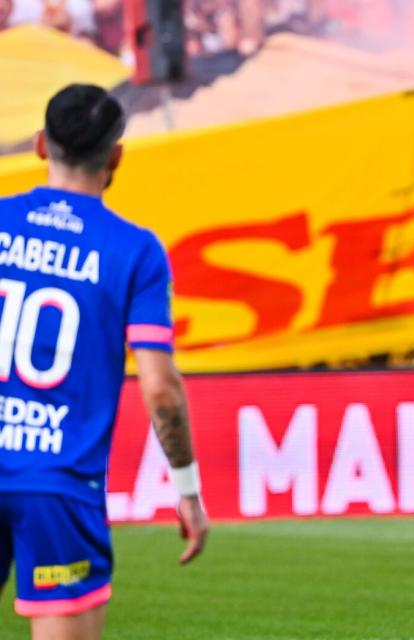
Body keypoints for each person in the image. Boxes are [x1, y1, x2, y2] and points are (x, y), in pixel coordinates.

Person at [0, 84, 209, 640]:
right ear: (116, 154)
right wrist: (186, 487)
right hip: (59, 486)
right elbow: (160, 388)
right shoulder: (133, 250)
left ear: (42, 145)